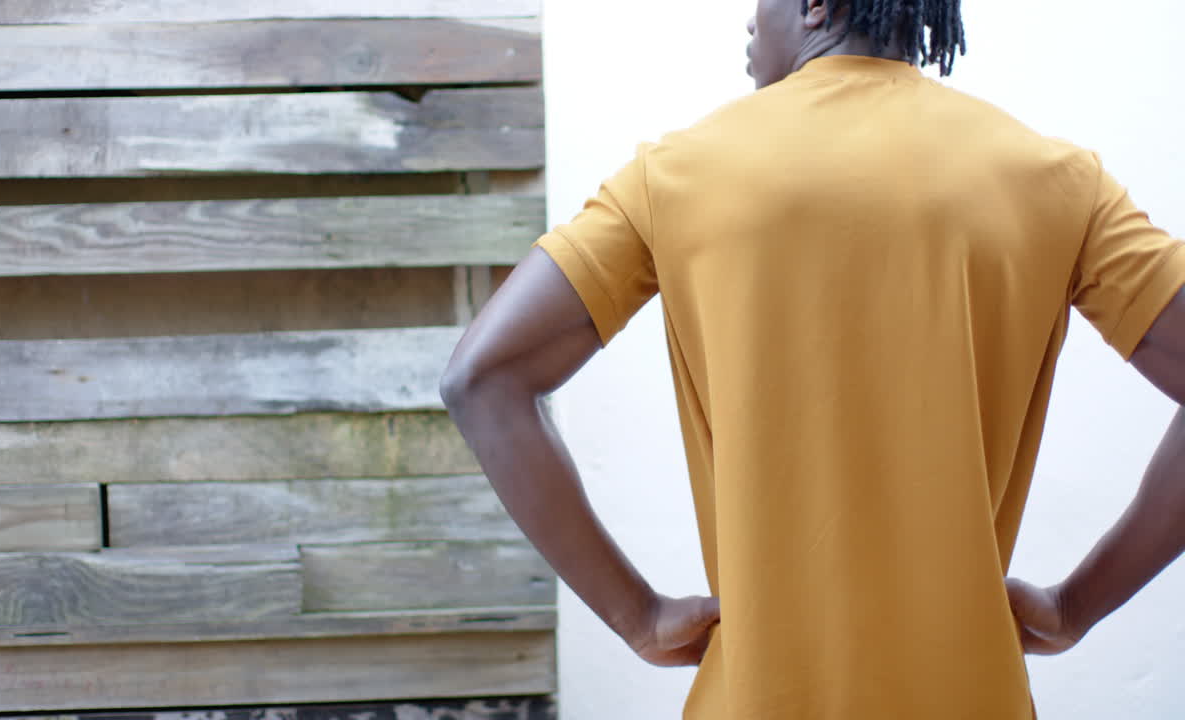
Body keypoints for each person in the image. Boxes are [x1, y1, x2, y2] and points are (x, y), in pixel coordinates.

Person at [440, 0, 1185, 717]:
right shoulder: (1055, 180)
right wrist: (1074, 608)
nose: (746, 18)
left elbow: (484, 379)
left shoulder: (676, 174)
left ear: (817, 3)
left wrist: (638, 618)